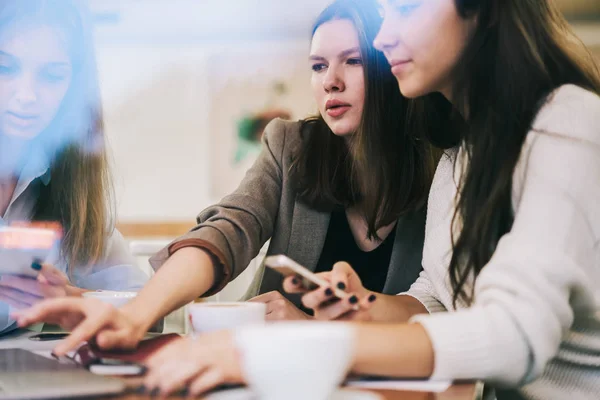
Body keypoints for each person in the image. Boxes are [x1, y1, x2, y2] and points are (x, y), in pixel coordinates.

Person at [18, 0, 599, 398]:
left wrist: (288, 348)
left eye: (404, 6)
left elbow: (512, 335)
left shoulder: (567, 123)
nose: (386, 33)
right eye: (320, 65)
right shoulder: (461, 155)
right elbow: (438, 297)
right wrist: (133, 312)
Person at [9, 0, 440, 350]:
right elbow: (228, 230)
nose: (331, 81)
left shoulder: (443, 165)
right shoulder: (291, 145)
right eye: (318, 66)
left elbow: (437, 304)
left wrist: (318, 329)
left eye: (354, 61)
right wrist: (136, 313)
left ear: (391, 66)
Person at [0, 0, 149, 335]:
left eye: (51, 76)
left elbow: (146, 307)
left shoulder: (63, 182)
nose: (26, 95)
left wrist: (68, 298)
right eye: (5, 69)